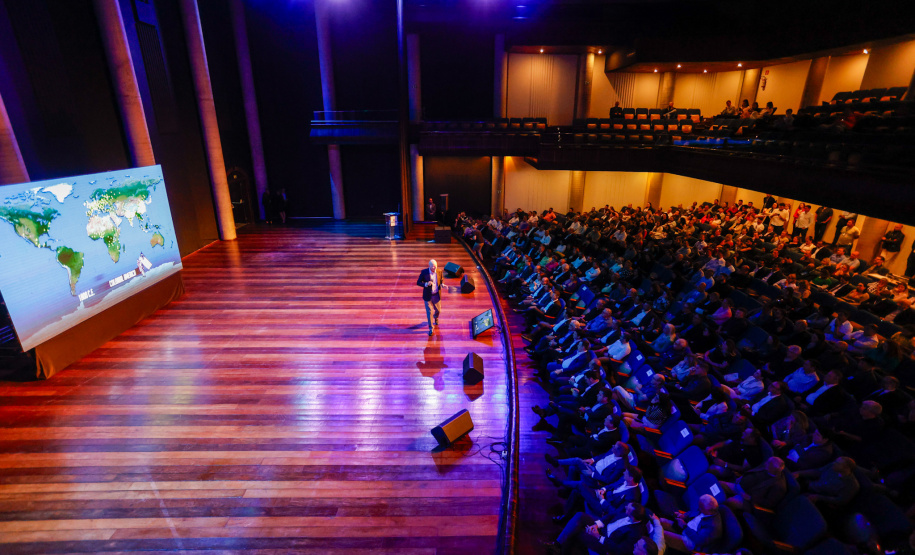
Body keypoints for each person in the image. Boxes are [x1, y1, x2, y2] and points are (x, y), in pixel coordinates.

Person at [417, 259, 446, 336]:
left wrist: (442, 285)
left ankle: (436, 318)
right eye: (432, 266)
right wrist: (426, 284)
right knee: (429, 312)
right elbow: (418, 282)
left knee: (438, 310)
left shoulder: (439, 271)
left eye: (435, 266)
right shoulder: (424, 272)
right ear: (429, 266)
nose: (434, 267)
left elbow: (441, 280)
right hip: (428, 296)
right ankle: (431, 328)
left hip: (436, 295)